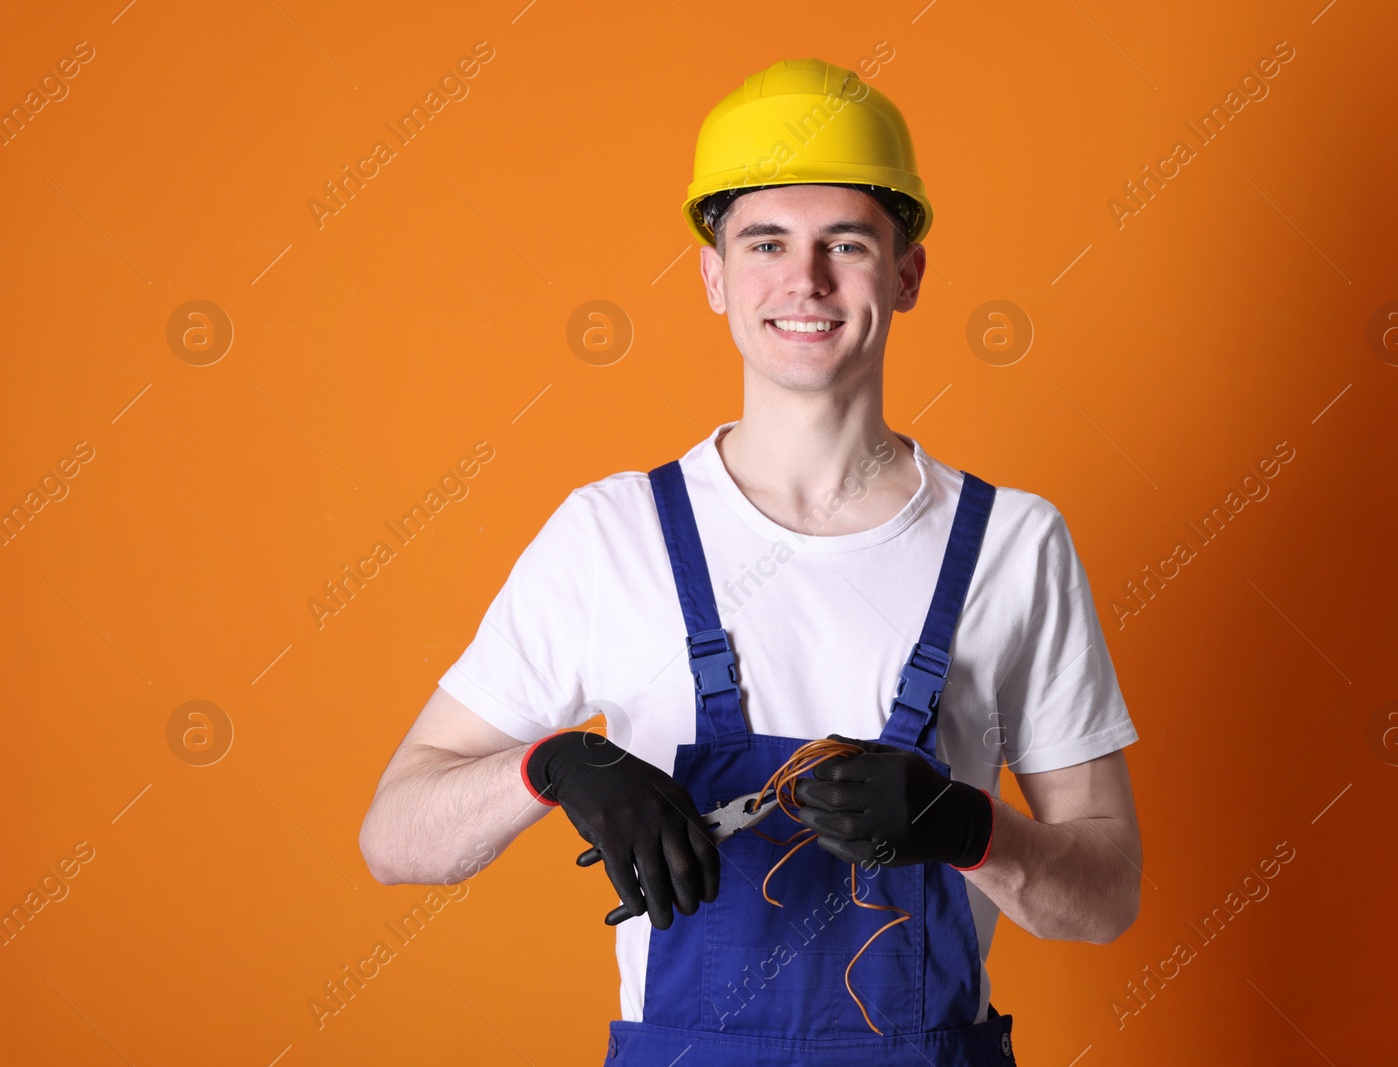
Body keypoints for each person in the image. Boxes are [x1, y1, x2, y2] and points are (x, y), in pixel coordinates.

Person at [358, 57, 1142, 1065]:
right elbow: (394, 837)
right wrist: (549, 765)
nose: (804, 281)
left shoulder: (1011, 542)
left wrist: (967, 825)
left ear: (906, 273)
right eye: (765, 241)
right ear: (714, 274)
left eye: (845, 244)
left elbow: (1106, 894)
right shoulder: (613, 533)